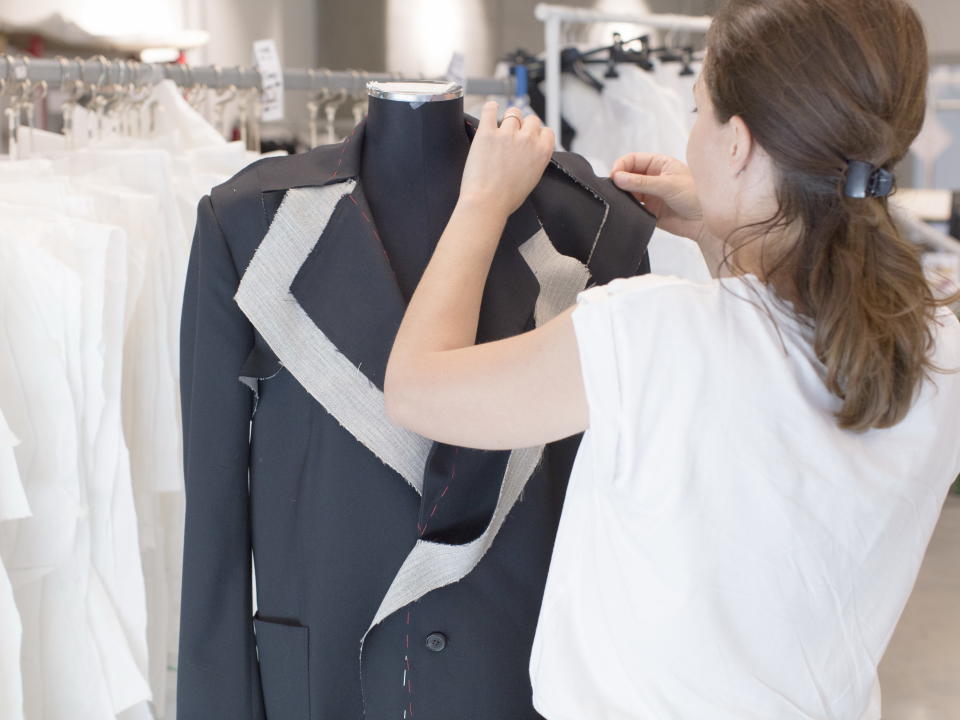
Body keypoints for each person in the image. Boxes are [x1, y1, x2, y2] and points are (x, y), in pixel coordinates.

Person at [383, 0, 960, 717]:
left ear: (739, 145)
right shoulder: (937, 352)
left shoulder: (650, 334)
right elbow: (770, 392)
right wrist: (728, 232)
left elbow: (415, 390)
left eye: (699, 111)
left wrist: (481, 202)